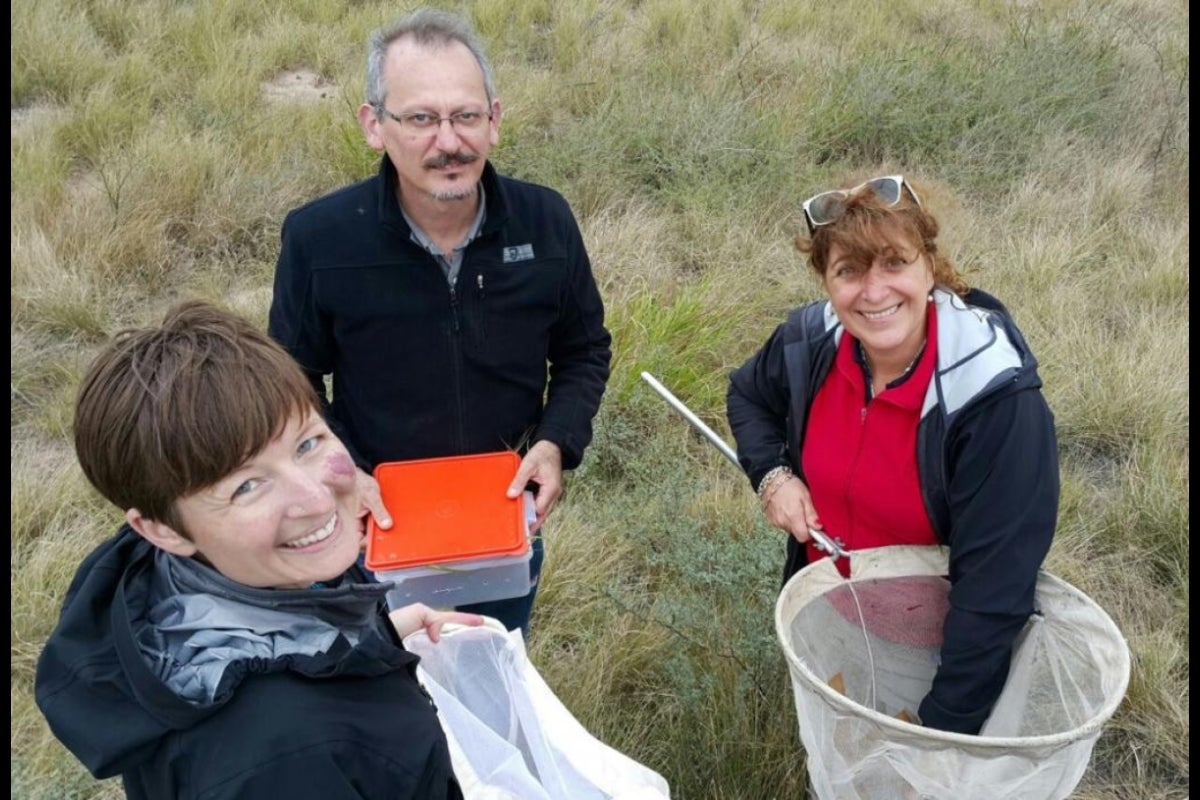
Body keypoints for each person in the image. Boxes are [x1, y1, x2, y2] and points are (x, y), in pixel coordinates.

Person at [35, 302, 483, 799]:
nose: (316, 500)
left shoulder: (229, 576)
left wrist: (375, 643)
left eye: (308, 444)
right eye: (247, 487)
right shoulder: (280, 760)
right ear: (161, 529)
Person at [268, 8, 612, 638]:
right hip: (376, 526)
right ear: (375, 125)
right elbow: (288, 378)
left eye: (466, 116)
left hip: (502, 518)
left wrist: (556, 443)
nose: (448, 142)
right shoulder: (320, 239)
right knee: (380, 689)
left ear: (495, 120)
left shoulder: (546, 223)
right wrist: (343, 474)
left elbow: (584, 348)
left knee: (493, 667)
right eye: (421, 119)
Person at [726, 174, 1059, 735]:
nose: (873, 292)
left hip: (941, 654)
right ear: (826, 282)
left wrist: (935, 737)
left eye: (894, 263)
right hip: (830, 616)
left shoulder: (994, 401)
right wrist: (774, 476)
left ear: (930, 266)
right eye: (849, 271)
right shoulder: (810, 341)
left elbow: (993, 594)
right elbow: (749, 395)